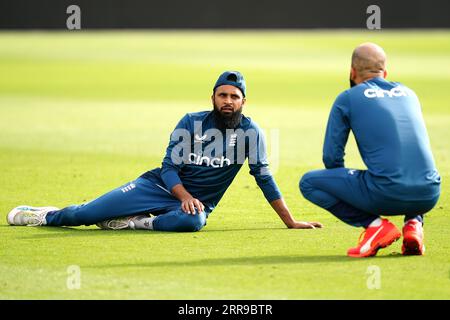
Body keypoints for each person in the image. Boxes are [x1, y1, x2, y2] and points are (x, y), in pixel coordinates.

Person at [8, 71, 322, 232]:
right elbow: (169, 167)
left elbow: (264, 178)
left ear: (244, 101)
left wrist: (290, 222)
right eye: (222, 94)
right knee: (84, 215)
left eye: (235, 96)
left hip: (195, 206)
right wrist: (184, 196)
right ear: (212, 97)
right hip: (158, 186)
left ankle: (134, 222)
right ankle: (43, 215)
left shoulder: (251, 133)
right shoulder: (192, 121)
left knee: (193, 223)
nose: (228, 100)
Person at [299, 43, 440, 257]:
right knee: (410, 166)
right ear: (386, 72)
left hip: (387, 194)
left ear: (352, 72)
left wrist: (343, 183)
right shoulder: (410, 94)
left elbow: (332, 157)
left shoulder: (348, 97)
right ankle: (413, 223)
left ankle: (375, 226)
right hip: (429, 194)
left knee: (308, 183)